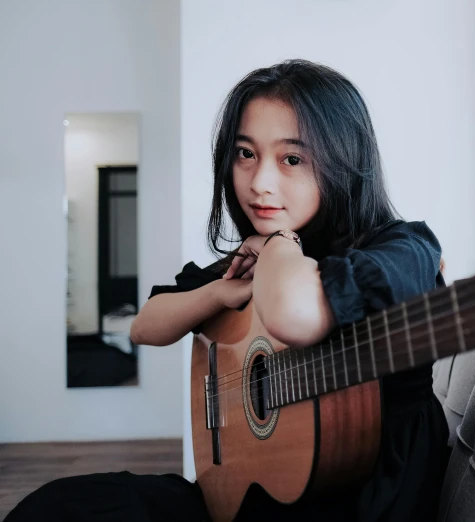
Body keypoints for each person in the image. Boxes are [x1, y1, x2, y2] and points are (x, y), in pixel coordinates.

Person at [7, 59, 449, 522]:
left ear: (344, 159)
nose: (259, 183)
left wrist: (279, 243)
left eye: (291, 159)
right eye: (245, 154)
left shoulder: (404, 248)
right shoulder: (247, 263)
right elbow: (145, 326)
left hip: (360, 502)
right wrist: (219, 294)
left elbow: (294, 314)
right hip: (246, 495)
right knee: (56, 508)